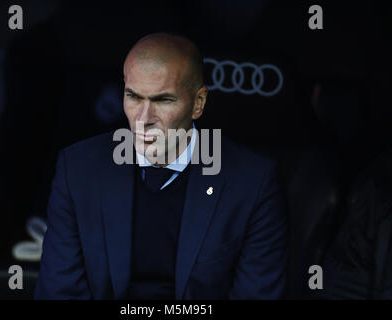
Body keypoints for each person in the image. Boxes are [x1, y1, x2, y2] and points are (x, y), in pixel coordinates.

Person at [35, 33, 287, 299]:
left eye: (163, 100)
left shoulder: (252, 182)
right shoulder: (77, 170)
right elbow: (59, 293)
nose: (144, 119)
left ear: (198, 103)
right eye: (134, 97)